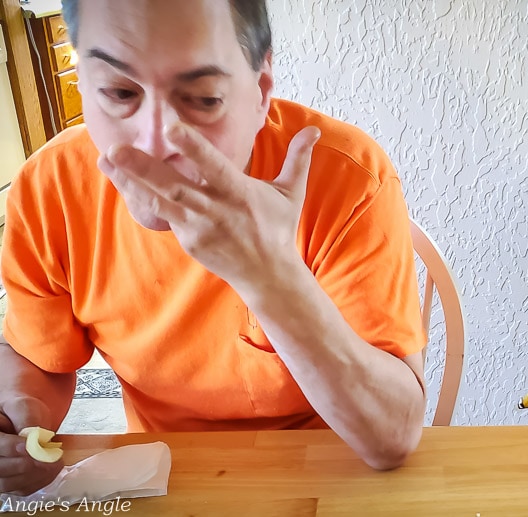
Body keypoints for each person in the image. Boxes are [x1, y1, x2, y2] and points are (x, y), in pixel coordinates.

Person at [0, 0, 427, 495]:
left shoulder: (347, 177)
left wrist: (271, 276)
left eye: (202, 99)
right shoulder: (52, 185)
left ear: (262, 91)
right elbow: (39, 357)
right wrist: (22, 423)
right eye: (119, 92)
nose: (156, 143)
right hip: (167, 475)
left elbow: (391, 437)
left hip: (334, 470)